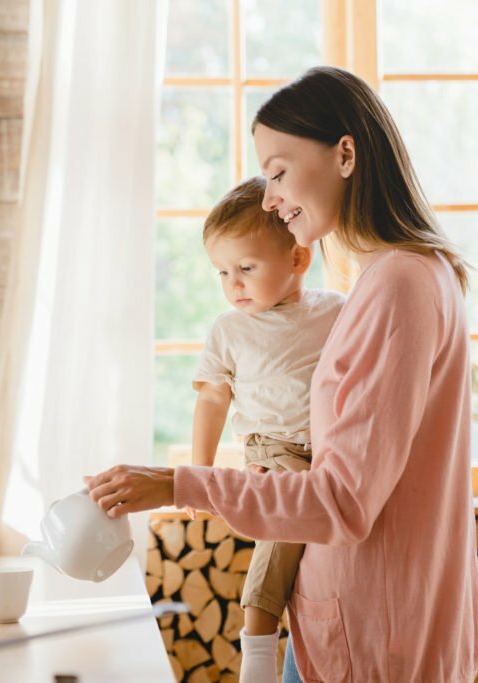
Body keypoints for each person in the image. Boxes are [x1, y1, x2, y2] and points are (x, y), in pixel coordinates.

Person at [85, 65, 478, 682]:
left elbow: (341, 501)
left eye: (277, 172)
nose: (268, 198)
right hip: (358, 626)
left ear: (345, 154)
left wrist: (180, 484)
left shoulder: (399, 284)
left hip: (375, 642)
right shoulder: (394, 277)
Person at [189, 176, 345, 683]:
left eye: (246, 268)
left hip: (332, 452)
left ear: (298, 259)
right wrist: (199, 470)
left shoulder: (335, 311)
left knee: (325, 555)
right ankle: (257, 650)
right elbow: (213, 399)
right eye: (222, 272)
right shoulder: (229, 330)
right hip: (274, 450)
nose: (232, 283)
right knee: (285, 528)